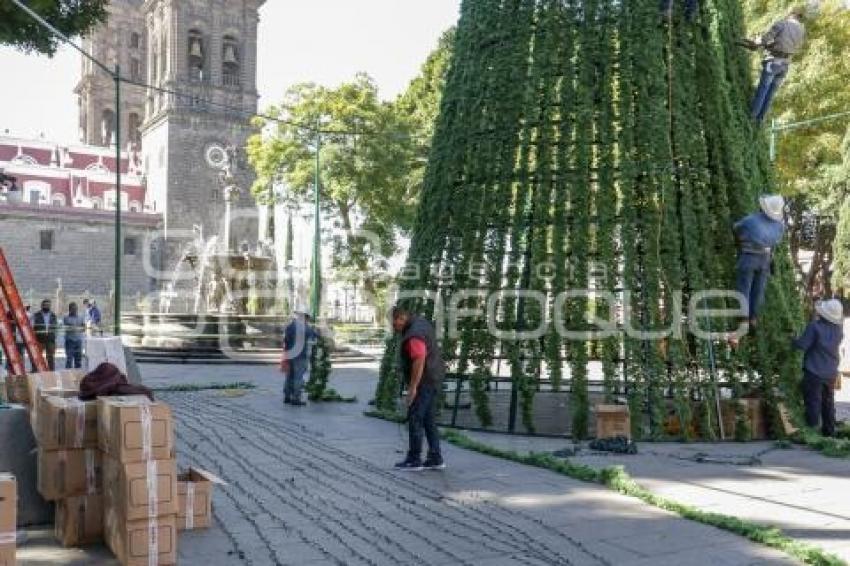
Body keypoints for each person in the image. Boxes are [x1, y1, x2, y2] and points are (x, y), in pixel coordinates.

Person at [392, 305, 446, 471]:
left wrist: (413, 388)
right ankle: (435, 457)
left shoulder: (413, 334)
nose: (394, 328)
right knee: (429, 420)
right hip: (433, 377)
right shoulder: (421, 323)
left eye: (395, 324)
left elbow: (419, 359)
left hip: (424, 382)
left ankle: (414, 459)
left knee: (415, 418)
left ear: (402, 318)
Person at [744, 6, 806, 124]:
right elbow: (790, 46)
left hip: (773, 62)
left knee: (763, 89)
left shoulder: (782, 24)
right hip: (785, 65)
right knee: (770, 94)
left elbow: (765, 39)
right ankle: (759, 121)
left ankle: (750, 118)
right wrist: (771, 45)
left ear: (791, 13)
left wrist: (757, 41)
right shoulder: (801, 30)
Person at [733, 195, 786, 331]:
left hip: (749, 257)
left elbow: (736, 228)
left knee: (744, 287)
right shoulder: (779, 226)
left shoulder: (750, 221)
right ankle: (753, 317)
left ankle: (743, 318)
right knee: (759, 290)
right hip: (765, 259)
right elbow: (776, 241)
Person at [793, 299, 844, 437]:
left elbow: (802, 345)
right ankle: (829, 431)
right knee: (828, 403)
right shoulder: (839, 331)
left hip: (814, 371)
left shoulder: (814, 327)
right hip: (831, 372)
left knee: (813, 403)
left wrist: (793, 339)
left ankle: (812, 433)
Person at [280, 309, 318, 406]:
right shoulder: (306, 327)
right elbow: (314, 336)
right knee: (298, 377)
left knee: (289, 376)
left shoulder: (290, 326)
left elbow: (285, 340)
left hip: (290, 354)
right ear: (305, 317)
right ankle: (296, 398)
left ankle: (287, 396)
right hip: (300, 355)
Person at [32, 299, 58, 370]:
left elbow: (55, 328)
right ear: (42, 306)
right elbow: (32, 326)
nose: (47, 306)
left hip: (50, 340)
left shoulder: (53, 315)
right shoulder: (36, 315)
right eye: (45, 305)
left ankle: (51, 372)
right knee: (37, 357)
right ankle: (35, 370)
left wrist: (55, 339)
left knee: (50, 357)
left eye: (48, 305)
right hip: (39, 339)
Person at [62, 302, 85, 369]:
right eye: (72, 309)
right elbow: (68, 327)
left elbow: (83, 328)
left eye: (75, 309)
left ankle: (78, 374)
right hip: (70, 341)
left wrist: (83, 327)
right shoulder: (66, 318)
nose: (74, 310)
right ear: (69, 309)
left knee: (78, 360)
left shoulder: (81, 317)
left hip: (78, 341)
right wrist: (75, 327)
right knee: (69, 359)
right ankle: (67, 375)